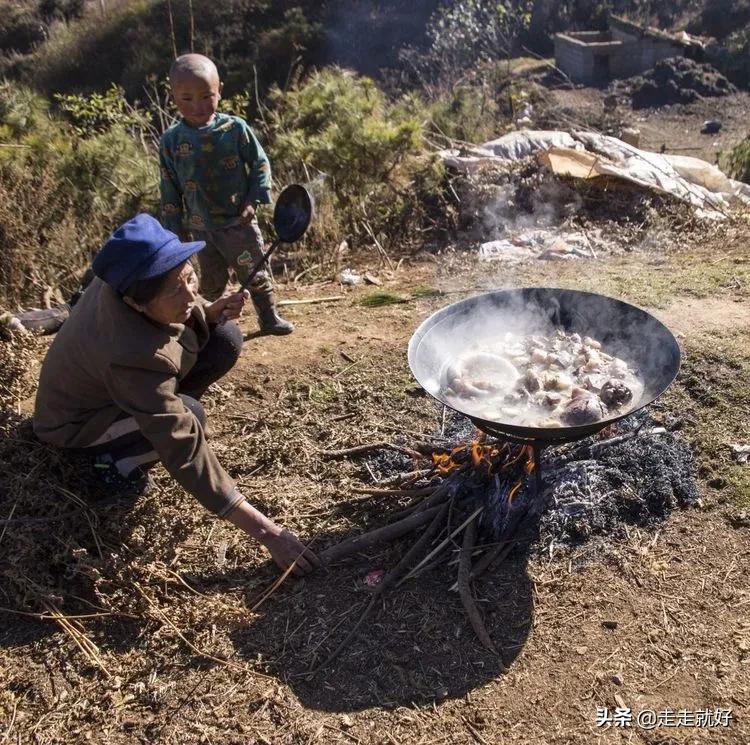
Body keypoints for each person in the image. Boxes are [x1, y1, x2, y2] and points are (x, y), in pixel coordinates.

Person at [33, 215, 319, 576]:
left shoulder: (126, 278)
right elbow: (181, 443)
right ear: (137, 303)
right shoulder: (129, 353)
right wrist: (267, 532)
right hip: (77, 428)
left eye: (189, 276)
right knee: (189, 416)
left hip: (120, 389)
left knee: (224, 336)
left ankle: (152, 419)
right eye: (174, 290)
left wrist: (208, 312)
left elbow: (180, 296)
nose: (188, 294)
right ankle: (113, 468)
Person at [159, 52, 294, 336]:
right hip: (201, 228)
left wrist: (253, 200)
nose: (197, 105)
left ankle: (268, 317)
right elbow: (169, 187)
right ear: (173, 97)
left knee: (255, 272)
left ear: (219, 91)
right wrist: (174, 230)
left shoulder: (234, 129)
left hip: (238, 225)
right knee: (210, 282)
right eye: (187, 99)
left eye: (206, 96)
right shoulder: (172, 140)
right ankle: (207, 326)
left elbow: (260, 163)